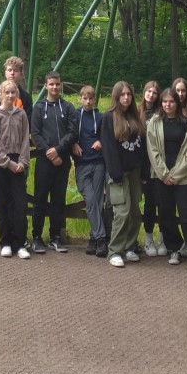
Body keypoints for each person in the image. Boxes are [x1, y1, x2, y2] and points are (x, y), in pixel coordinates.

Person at [146, 87, 187, 271]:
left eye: (171, 101)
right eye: (164, 101)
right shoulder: (154, 122)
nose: (168, 104)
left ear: (177, 103)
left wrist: (176, 175)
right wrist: (164, 174)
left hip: (183, 177)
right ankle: (175, 247)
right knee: (166, 214)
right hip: (161, 176)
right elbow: (152, 150)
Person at [30, 70, 77, 252]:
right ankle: (36, 236)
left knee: (58, 199)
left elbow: (72, 132)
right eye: (51, 84)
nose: (55, 87)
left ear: (61, 85)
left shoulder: (68, 107)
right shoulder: (38, 107)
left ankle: (55, 236)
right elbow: (35, 133)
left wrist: (58, 150)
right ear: (46, 86)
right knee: (40, 199)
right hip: (44, 160)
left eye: (57, 84)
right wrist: (49, 152)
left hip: (62, 160)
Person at [100, 80, 145, 267]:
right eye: (122, 95)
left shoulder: (135, 116)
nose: (126, 98)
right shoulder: (109, 117)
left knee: (135, 212)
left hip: (135, 172)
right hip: (118, 173)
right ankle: (115, 251)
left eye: (129, 94)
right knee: (122, 211)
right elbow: (108, 147)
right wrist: (115, 173)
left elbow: (141, 145)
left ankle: (129, 246)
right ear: (116, 97)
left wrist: (143, 172)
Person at [0, 79, 31, 259]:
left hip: (18, 163)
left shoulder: (21, 114)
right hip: (1, 164)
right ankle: (5, 242)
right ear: (1, 94)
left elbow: (26, 139)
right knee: (1, 202)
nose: (10, 95)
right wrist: (8, 163)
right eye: (7, 92)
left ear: (17, 95)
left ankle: (19, 243)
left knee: (19, 204)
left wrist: (23, 162)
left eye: (13, 92)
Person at [72, 84, 106, 257]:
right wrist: (73, 143)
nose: (87, 102)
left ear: (94, 100)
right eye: (85, 98)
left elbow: (106, 135)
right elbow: (68, 133)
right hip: (82, 164)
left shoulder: (100, 117)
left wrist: (100, 141)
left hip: (98, 163)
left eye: (91, 98)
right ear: (80, 98)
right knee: (91, 199)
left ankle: (94, 239)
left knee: (98, 201)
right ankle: (101, 237)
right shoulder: (74, 116)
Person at [139, 80, 164, 256]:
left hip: (160, 165)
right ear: (144, 92)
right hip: (143, 164)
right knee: (149, 204)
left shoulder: (161, 112)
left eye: (155, 92)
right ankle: (148, 239)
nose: (151, 95)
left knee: (162, 202)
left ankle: (163, 237)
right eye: (149, 91)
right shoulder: (136, 112)